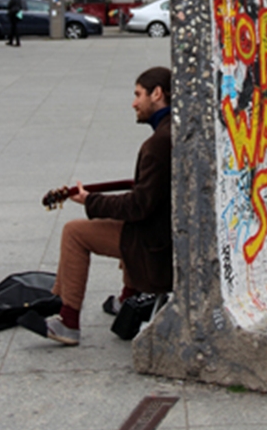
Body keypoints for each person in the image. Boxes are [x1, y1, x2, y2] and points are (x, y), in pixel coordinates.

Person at [18, 66, 172, 346]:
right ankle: (127, 299)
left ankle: (68, 321)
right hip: (165, 234)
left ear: (157, 93)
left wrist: (91, 201)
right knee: (121, 222)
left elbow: (139, 205)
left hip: (157, 247)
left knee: (74, 232)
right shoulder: (174, 130)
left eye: (138, 95)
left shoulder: (159, 143)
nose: (133, 102)